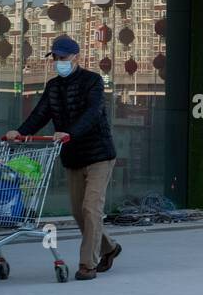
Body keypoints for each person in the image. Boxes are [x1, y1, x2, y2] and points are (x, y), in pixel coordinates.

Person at [6, 34, 120, 281]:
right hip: (73, 157)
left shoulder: (92, 81)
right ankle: (109, 247)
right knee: (79, 212)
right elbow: (40, 114)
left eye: (63, 57)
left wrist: (70, 133)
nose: (59, 62)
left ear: (76, 57)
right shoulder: (53, 86)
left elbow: (93, 113)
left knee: (91, 208)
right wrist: (20, 132)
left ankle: (87, 264)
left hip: (99, 155)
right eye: (55, 58)